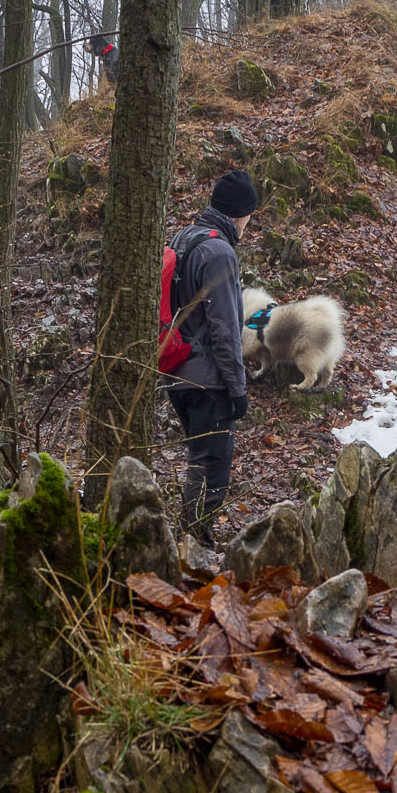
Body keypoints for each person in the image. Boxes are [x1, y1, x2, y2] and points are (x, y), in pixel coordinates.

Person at [164, 170, 256, 541]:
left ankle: (191, 543)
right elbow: (225, 327)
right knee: (211, 468)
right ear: (240, 213)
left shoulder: (184, 237)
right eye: (250, 214)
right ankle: (193, 548)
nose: (250, 222)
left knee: (197, 461)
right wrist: (237, 389)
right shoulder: (219, 252)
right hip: (208, 381)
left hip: (176, 372)